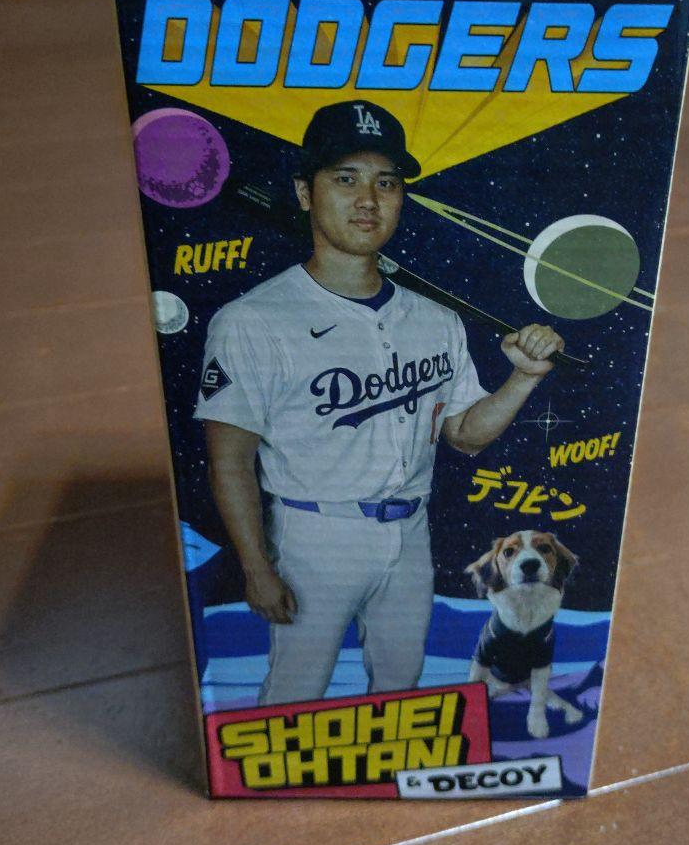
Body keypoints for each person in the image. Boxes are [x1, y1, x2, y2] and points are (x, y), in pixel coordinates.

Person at [195, 99, 563, 705]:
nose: (368, 199)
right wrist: (257, 567)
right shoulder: (252, 320)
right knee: (295, 690)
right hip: (316, 534)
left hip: (411, 530)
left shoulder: (435, 319)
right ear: (305, 193)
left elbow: (466, 435)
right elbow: (228, 460)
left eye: (386, 183)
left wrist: (522, 379)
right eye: (346, 179)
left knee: (401, 683)